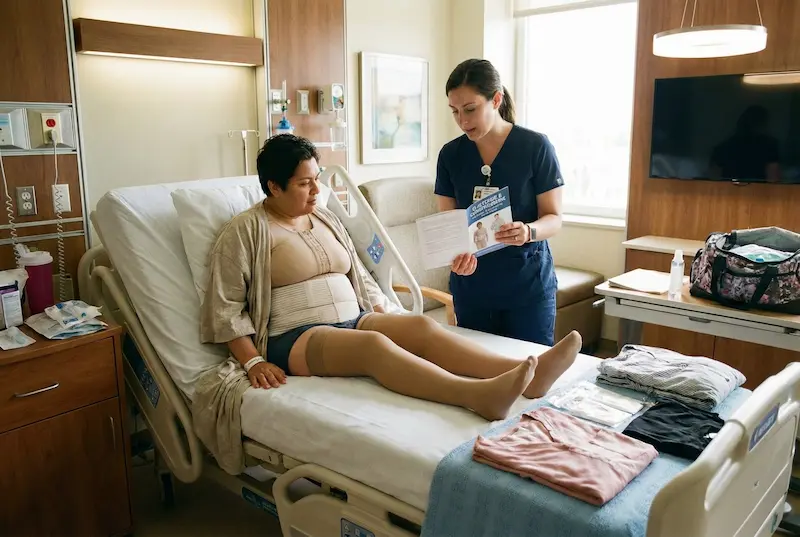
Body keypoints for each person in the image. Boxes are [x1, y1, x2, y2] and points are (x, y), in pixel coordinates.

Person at [200, 133, 581, 422]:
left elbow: (358, 273)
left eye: (317, 179)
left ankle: (526, 373)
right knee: (374, 349)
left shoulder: (324, 218)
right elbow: (226, 306)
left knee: (421, 328)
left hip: (353, 318)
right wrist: (252, 362)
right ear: (274, 186)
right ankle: (474, 395)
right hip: (294, 336)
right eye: (304, 184)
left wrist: (385, 308)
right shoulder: (245, 231)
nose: (318, 190)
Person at [435, 58, 565, 346]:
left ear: (496, 99)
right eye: (455, 112)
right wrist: (455, 257)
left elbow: (553, 218)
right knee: (479, 379)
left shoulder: (535, 147)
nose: (463, 121)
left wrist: (529, 231)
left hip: (527, 288)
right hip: (473, 289)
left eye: (470, 109)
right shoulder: (450, 156)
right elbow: (449, 226)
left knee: (531, 376)